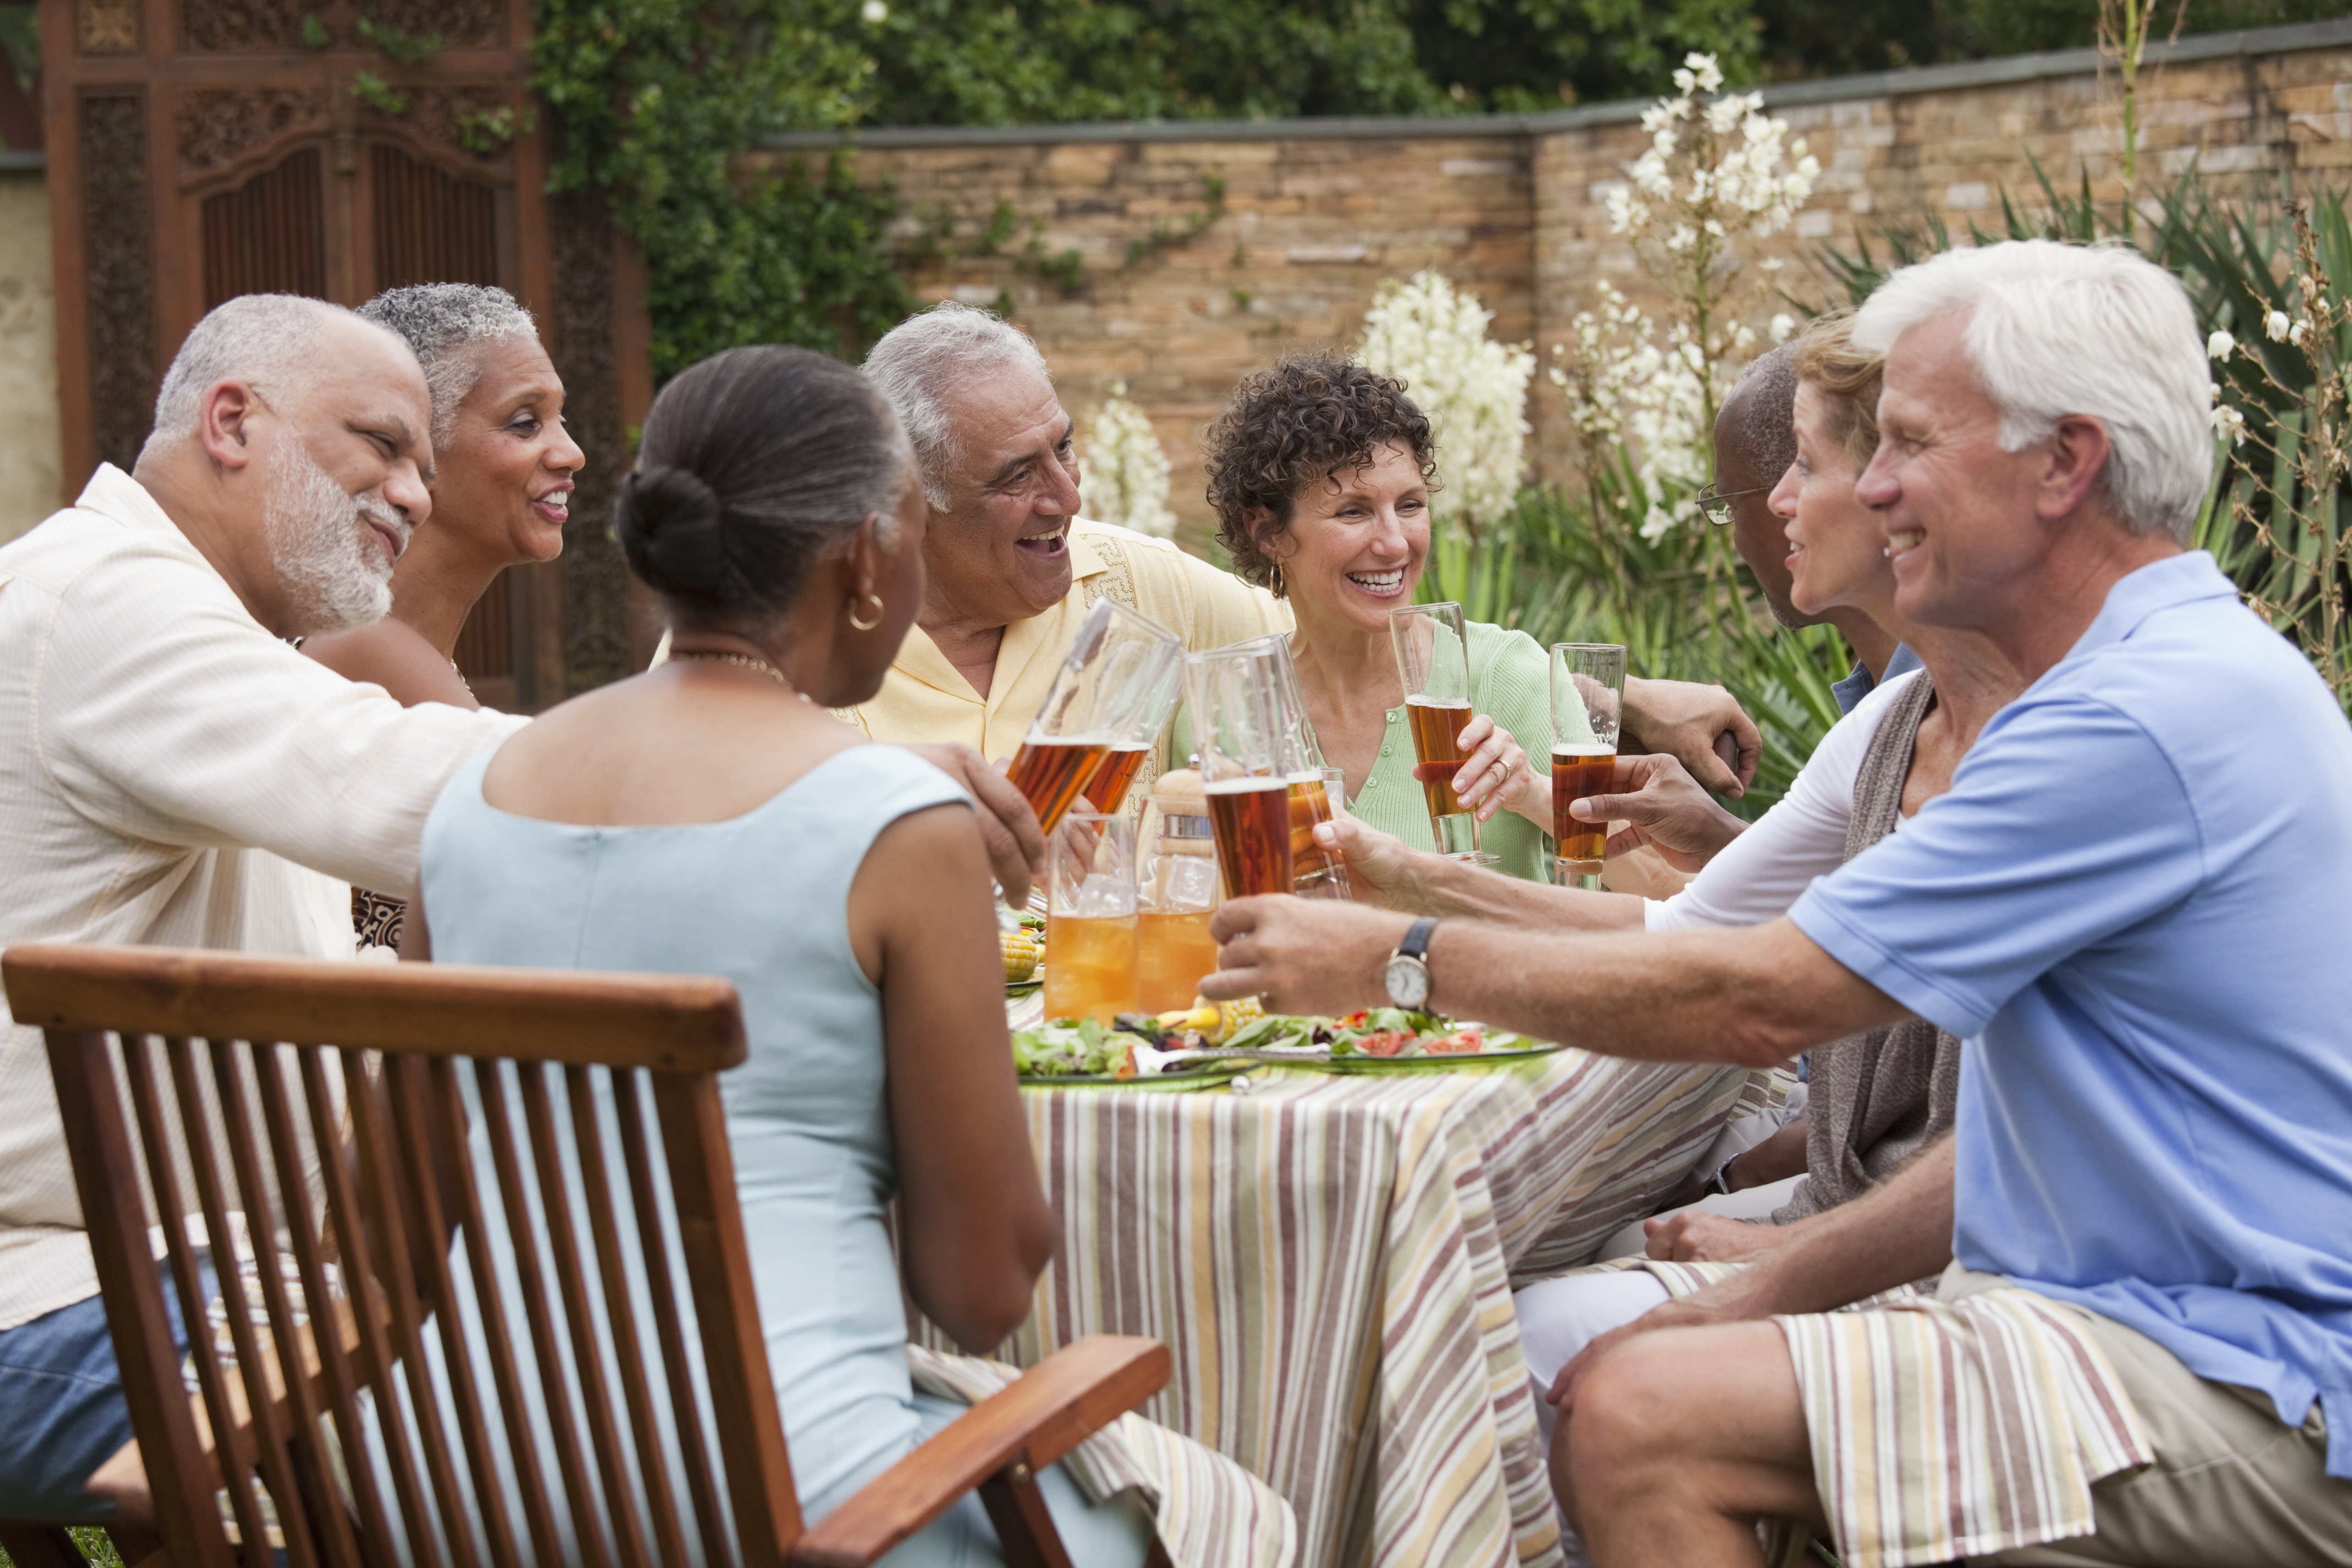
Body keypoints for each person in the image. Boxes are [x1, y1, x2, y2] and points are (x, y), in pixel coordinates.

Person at [1202, 239, 2352, 1567]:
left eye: (1906, 443)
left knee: (1642, 1414)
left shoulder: (2135, 715)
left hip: (2253, 1372)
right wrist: (1767, 1283)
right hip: (2105, 1317)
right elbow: (1992, 1131)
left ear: (2065, 462)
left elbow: (1759, 995)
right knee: (1630, 1369)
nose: (1865, 487)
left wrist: (1397, 952)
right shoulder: (2118, 682)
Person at [401, 344, 1283, 1563]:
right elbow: (983, 1288)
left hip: (453, 1485)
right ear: (867, 556)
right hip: (791, 1505)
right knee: (1244, 1518)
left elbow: (390, 1213)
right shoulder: (892, 825)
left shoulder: (474, 792)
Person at [0, 294, 525, 1524]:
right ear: (231, 421)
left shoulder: (211, 633)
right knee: (510, 1415)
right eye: (382, 443)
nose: (413, 492)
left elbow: (361, 914)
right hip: (60, 1292)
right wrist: (760, 775)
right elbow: (406, 794)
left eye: (424, 463)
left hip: (161, 1264)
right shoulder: (106, 600)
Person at [1510, 310, 2024, 1469]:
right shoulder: (1893, 713)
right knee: (1538, 1292)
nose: (1778, 504)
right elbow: (1702, 934)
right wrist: (1413, 887)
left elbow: (1763, 1000)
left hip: (2009, 1291)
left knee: (1534, 1349)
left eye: (1800, 467)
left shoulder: (2054, 731)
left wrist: (1400, 947)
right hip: (1880, 1210)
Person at [1193, 351, 1764, 884]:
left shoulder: (1504, 673)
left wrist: (1534, 794)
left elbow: (1676, 898)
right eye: (1353, 511)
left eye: (1411, 505)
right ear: (1268, 532)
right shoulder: (1229, 705)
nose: (1395, 544)